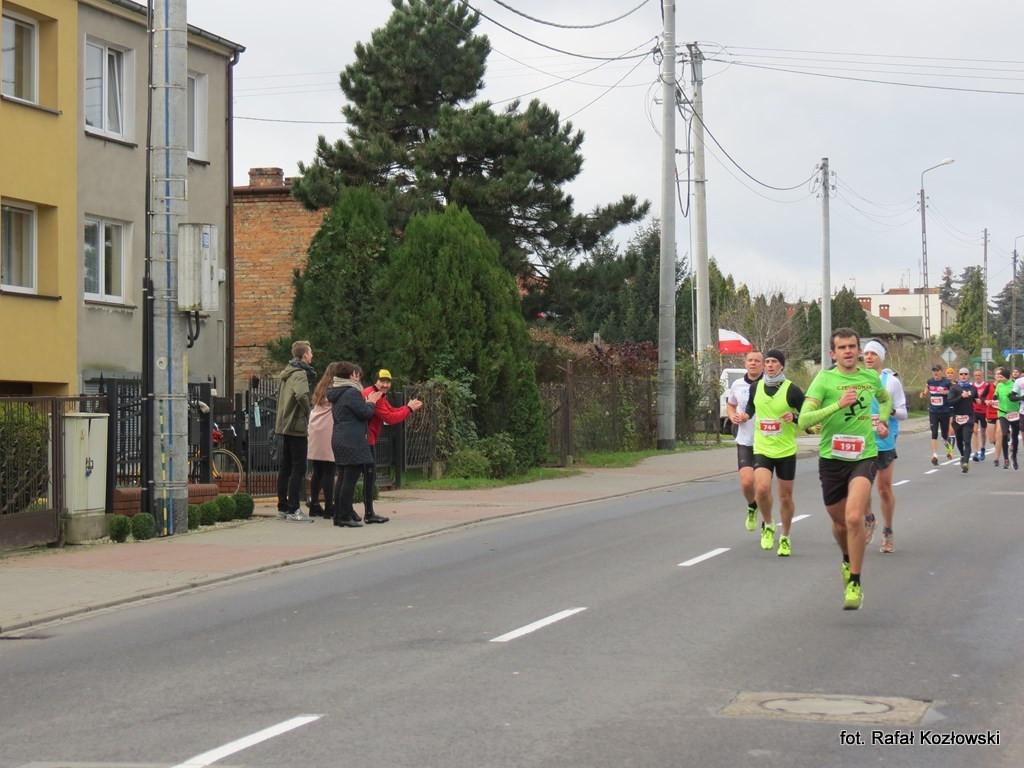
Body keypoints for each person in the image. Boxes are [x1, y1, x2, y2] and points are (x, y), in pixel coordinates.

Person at [798, 328, 892, 611]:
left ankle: (855, 582)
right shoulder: (824, 380)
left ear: (859, 351)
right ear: (833, 353)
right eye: (842, 348)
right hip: (831, 459)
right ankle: (846, 558)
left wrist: (881, 420)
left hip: (864, 456)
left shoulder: (870, 377)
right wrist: (836, 405)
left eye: (853, 346)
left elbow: (885, 400)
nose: (849, 351)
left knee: (854, 518)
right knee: (839, 524)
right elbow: (804, 420)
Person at [743, 349, 804, 556]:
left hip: (785, 450)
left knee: (785, 497)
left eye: (774, 362)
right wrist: (744, 415)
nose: (769, 365)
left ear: (781, 366)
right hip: (762, 448)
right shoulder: (755, 387)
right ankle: (768, 524)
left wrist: (794, 417)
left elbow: (808, 417)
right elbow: (751, 407)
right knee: (761, 489)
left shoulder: (792, 390)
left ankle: (785, 537)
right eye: (767, 361)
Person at [359, 369, 424, 524]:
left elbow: (392, 411)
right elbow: (390, 417)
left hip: (368, 439)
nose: (385, 385)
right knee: (367, 477)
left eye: (388, 382)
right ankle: (367, 513)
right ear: (376, 381)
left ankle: (356, 511)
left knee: (364, 476)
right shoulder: (373, 395)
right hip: (366, 440)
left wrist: (406, 408)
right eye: (382, 381)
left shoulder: (380, 395)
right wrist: (409, 409)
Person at [862, 340, 907, 554]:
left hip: (884, 442)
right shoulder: (857, 379)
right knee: (859, 489)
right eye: (866, 353)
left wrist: (888, 414)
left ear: (881, 357)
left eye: (873, 353)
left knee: (883, 489)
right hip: (861, 442)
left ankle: (888, 531)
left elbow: (903, 412)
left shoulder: (891, 382)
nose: (869, 357)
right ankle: (869, 519)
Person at [328, 362, 383, 527]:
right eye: (356, 374)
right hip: (352, 440)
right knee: (349, 479)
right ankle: (345, 516)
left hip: (339, 437)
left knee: (343, 477)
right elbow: (364, 413)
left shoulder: (337, 391)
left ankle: (338, 516)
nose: (359, 377)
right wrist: (371, 402)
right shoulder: (351, 392)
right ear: (351, 375)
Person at [274, 340, 317, 522]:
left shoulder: (287, 372)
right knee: (299, 468)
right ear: (304, 355)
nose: (312, 355)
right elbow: (301, 395)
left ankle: (282, 507)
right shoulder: (300, 373)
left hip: (284, 424)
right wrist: (310, 413)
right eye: (310, 352)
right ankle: (294, 509)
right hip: (297, 426)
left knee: (286, 467)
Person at [725, 351, 764, 532]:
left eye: (757, 361)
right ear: (745, 363)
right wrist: (732, 416)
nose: (753, 363)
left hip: (766, 442)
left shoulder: (771, 384)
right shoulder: (737, 384)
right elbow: (731, 404)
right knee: (747, 482)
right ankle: (752, 506)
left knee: (763, 487)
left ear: (763, 365)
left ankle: (767, 521)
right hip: (745, 440)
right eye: (750, 360)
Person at [306, 362, 345, 519]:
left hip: (316, 427)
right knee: (330, 470)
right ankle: (329, 506)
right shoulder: (336, 387)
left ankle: (314, 505)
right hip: (328, 428)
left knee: (318, 470)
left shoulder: (321, 386)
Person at [920, 364, 952, 465]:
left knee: (944, 436)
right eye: (934, 371)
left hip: (944, 412)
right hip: (933, 411)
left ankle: (949, 450)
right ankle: (935, 455)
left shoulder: (946, 382)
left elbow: (952, 393)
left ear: (941, 371)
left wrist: (946, 392)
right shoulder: (930, 381)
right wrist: (923, 394)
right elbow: (926, 390)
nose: (935, 372)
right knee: (934, 434)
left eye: (937, 370)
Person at [947, 368, 977, 473]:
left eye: (965, 374)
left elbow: (975, 399)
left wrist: (979, 400)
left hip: (969, 418)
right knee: (959, 441)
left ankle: (966, 463)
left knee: (967, 441)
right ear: (958, 376)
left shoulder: (973, 388)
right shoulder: (954, 388)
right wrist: (961, 396)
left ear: (969, 376)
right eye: (961, 374)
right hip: (957, 419)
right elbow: (950, 402)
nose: (963, 376)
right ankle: (963, 455)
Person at [991, 367, 1019, 470]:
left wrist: (1015, 398)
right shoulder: (999, 385)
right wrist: (995, 397)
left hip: (1014, 413)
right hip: (1002, 413)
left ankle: (1014, 457)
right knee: (1003, 434)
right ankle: (1006, 459)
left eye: (1001, 376)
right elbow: (996, 394)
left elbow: (1020, 397)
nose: (999, 378)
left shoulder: (1015, 385)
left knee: (1015, 436)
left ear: (1006, 377)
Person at [970, 369, 993, 462]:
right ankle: (975, 452)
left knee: (983, 432)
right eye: (975, 375)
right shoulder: (971, 386)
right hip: (974, 411)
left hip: (984, 412)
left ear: (982, 376)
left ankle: (983, 448)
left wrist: (983, 401)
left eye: (979, 375)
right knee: (974, 431)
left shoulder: (986, 385)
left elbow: (988, 397)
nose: (977, 377)